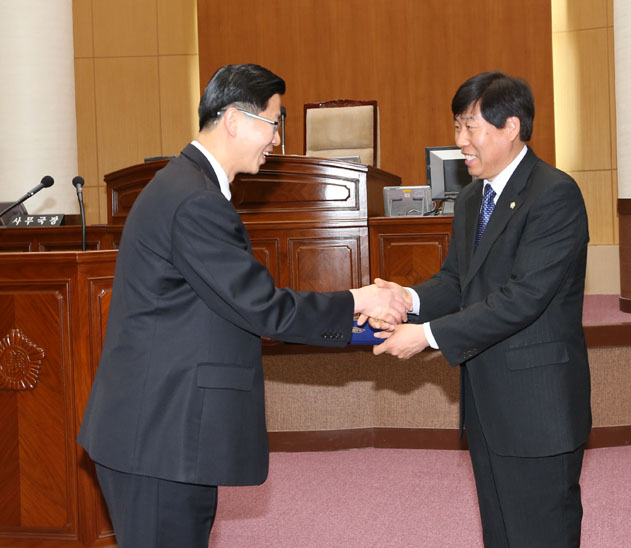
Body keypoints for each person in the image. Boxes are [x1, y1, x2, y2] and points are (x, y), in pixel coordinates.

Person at [77, 63, 409, 548]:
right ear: (234, 119)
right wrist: (361, 299)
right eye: (273, 123)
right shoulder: (194, 200)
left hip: (163, 430)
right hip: (159, 436)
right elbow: (263, 307)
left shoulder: (188, 185)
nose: (276, 140)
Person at [373, 72, 591, 547]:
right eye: (457, 127)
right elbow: (457, 280)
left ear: (510, 126)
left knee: (541, 533)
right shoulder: (474, 197)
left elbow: (523, 298)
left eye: (470, 127)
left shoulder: (554, 194)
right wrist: (406, 300)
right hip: (487, 404)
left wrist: (427, 336)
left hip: (537, 405)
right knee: (500, 532)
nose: (460, 141)